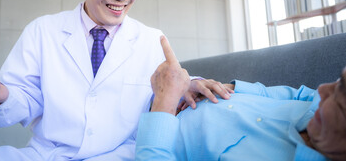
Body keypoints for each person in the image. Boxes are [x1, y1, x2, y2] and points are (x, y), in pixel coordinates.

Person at [0, 0, 232, 161]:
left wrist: (187, 86)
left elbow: (162, 95)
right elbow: (25, 99)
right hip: (48, 154)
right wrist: (0, 95)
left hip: (120, 155)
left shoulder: (151, 39)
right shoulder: (42, 31)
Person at [135, 36, 346, 161]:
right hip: (171, 95)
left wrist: (165, 103)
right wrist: (222, 88)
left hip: (140, 138)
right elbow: (292, 93)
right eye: (339, 82)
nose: (322, 90)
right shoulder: (315, 101)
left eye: (338, 100)